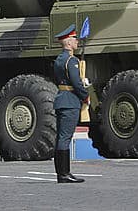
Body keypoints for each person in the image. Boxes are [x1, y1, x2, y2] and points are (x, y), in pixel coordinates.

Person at [53, 24, 88, 184]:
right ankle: (64, 174)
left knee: (61, 137)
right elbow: (76, 82)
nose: (76, 41)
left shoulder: (60, 59)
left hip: (61, 99)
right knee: (65, 138)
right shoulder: (71, 60)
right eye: (74, 38)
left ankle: (62, 173)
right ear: (68, 42)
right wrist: (85, 95)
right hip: (70, 101)